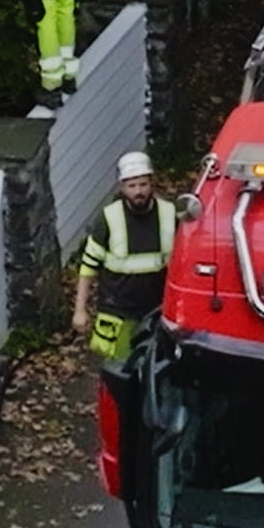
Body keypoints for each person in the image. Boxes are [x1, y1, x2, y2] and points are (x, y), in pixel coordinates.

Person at [75, 153, 178, 468]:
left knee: (163, 376)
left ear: (152, 183)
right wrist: (80, 310)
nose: (139, 191)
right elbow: (88, 267)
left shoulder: (169, 214)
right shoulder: (108, 219)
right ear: (122, 187)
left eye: (143, 184)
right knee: (117, 377)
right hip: (117, 313)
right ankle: (120, 436)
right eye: (132, 185)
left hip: (158, 313)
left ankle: (157, 430)